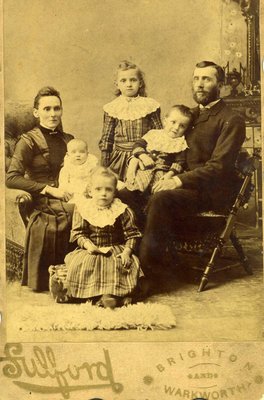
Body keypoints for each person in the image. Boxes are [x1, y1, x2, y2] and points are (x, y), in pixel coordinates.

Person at [138, 61, 246, 275]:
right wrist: (140, 156)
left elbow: (219, 167)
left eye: (207, 79)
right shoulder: (190, 116)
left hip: (210, 192)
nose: (200, 84)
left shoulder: (231, 120)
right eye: (196, 78)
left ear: (221, 84)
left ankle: (148, 275)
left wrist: (176, 180)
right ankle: (124, 269)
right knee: (127, 193)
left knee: (161, 198)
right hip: (183, 185)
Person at [6, 86, 74, 291]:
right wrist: (48, 189)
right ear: (36, 113)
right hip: (42, 199)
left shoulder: (69, 140)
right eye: (47, 109)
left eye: (56, 108)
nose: (52, 114)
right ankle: (56, 278)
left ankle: (83, 275)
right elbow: (11, 178)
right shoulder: (27, 141)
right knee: (70, 216)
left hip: (69, 194)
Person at [64, 167, 143, 308]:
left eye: (108, 190)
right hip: (91, 248)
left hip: (115, 248)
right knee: (84, 264)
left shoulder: (121, 209)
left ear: (114, 192)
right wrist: (88, 245)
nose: (103, 194)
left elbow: (132, 234)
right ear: (90, 191)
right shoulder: (83, 208)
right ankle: (98, 296)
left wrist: (126, 252)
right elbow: (78, 233)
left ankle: (114, 295)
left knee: (120, 265)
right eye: (98, 189)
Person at [99, 60, 162, 181]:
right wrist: (105, 164)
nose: (129, 84)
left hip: (144, 155)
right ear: (117, 84)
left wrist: (154, 156)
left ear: (140, 83)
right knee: (119, 187)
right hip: (119, 157)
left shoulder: (150, 105)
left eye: (133, 80)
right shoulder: (112, 108)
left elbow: (159, 133)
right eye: (123, 80)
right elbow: (107, 138)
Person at [125, 105, 192, 194]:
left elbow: (180, 162)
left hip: (163, 172)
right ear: (165, 121)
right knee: (133, 188)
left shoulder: (180, 143)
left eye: (182, 126)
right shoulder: (154, 134)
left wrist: (170, 174)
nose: (176, 128)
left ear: (186, 129)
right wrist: (143, 156)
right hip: (145, 169)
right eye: (173, 122)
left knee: (158, 191)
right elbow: (137, 145)